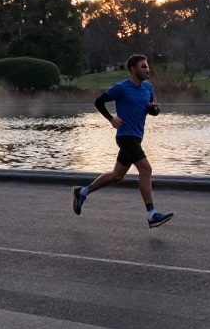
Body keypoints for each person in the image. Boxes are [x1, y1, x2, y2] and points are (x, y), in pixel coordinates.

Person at [71, 54, 172, 228]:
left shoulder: (148, 88)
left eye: (147, 66)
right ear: (133, 69)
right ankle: (151, 214)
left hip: (137, 137)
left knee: (117, 175)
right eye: (143, 66)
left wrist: (155, 109)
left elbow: (153, 111)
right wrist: (111, 119)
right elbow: (99, 102)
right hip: (125, 137)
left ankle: (82, 192)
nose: (147, 69)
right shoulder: (121, 88)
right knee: (146, 169)